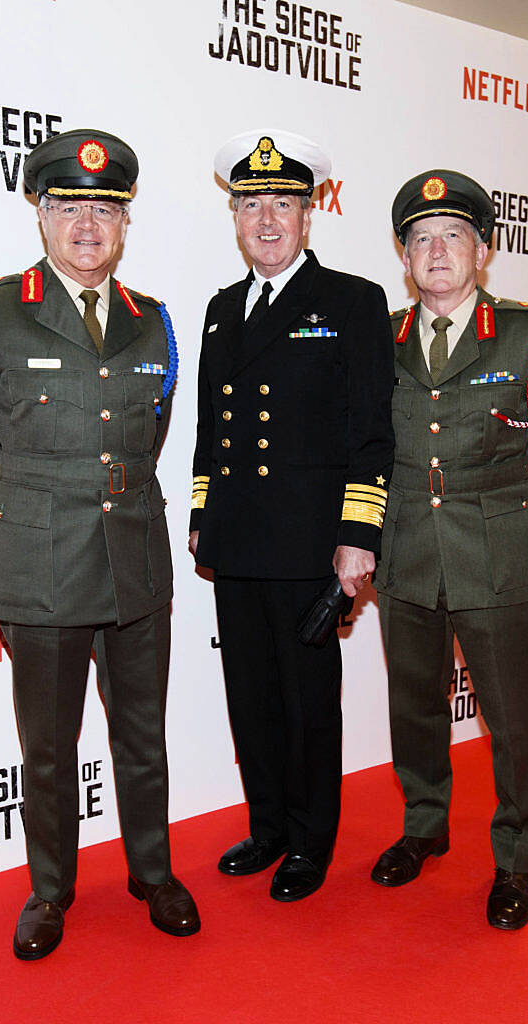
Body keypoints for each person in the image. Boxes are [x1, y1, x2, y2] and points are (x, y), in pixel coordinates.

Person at [0, 128, 199, 959]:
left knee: (142, 734)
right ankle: (50, 891)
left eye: (103, 207)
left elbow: (144, 441)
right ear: (39, 217)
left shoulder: (151, 320)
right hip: (38, 564)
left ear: (124, 223)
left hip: (134, 561)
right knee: (47, 750)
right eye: (68, 206)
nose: (87, 223)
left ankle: (152, 873)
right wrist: (29, 515)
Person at [372, 169, 528, 929]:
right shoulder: (383, 340)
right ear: (403, 257)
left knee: (512, 718)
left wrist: (507, 518)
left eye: (452, 236)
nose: (435, 251)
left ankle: (516, 857)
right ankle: (423, 827)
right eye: (420, 239)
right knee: (414, 708)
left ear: (482, 250)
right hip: (405, 559)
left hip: (497, 560)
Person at [189, 130, 395, 902]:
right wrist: (204, 515)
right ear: (234, 216)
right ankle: (268, 824)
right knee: (251, 692)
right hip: (238, 540)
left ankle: (310, 841)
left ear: (311, 214)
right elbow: (212, 428)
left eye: (283, 202)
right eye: (250, 204)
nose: (266, 218)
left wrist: (357, 539)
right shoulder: (219, 310)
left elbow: (372, 434)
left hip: (312, 544)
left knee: (308, 701)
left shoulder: (350, 301)